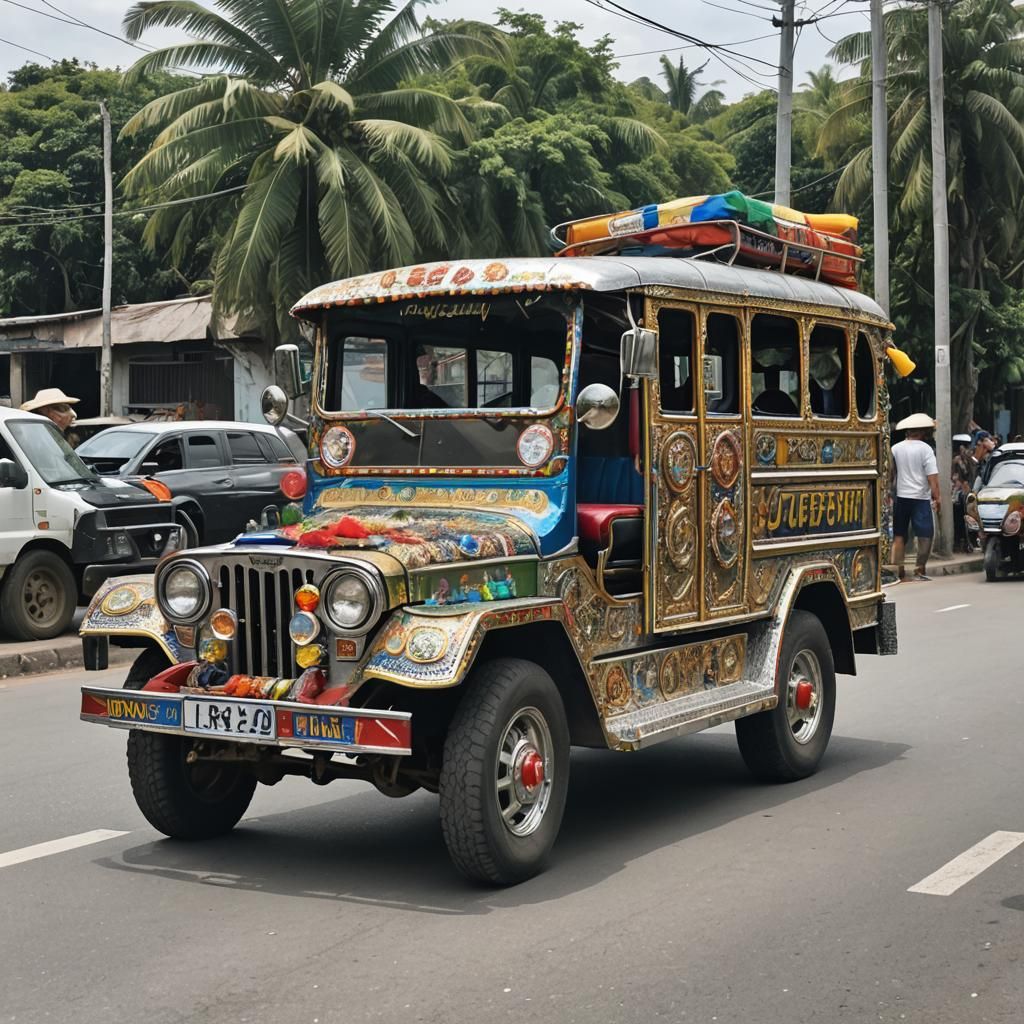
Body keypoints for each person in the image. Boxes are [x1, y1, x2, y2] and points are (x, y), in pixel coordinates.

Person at [891, 413, 941, 582]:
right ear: (921, 432)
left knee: (899, 534)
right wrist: (937, 497)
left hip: (901, 497)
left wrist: (889, 494)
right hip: (920, 498)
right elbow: (932, 478)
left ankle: (899, 570)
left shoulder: (895, 448)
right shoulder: (926, 449)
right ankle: (920, 569)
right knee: (925, 535)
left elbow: (891, 474)